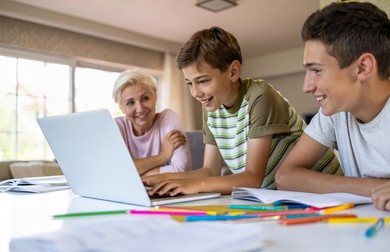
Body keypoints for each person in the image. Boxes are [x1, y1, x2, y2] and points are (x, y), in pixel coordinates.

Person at [143, 26, 342, 196]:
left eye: (203, 81)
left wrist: (194, 185)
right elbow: (209, 170)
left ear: (233, 72)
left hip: (323, 191)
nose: (195, 92)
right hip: (279, 196)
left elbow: (252, 177)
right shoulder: (211, 108)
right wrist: (159, 179)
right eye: (189, 83)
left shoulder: (259, 95)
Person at [275, 2, 390, 211]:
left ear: (363, 67)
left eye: (317, 70)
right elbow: (286, 175)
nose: (306, 86)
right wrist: (377, 187)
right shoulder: (337, 111)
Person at [112, 69, 191, 176]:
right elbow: (113, 172)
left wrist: (132, 175)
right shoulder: (118, 126)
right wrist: (163, 157)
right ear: (121, 107)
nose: (140, 109)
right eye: (130, 103)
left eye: (145, 98)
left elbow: (182, 170)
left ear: (155, 97)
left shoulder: (167, 118)